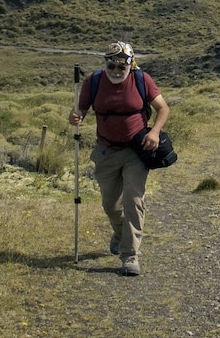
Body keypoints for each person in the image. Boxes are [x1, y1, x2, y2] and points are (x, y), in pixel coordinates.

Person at [69, 41, 170, 276]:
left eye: (120, 67)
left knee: (134, 201)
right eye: (111, 66)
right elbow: (81, 111)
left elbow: (163, 108)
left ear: (130, 65)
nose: (115, 71)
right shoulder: (93, 82)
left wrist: (154, 132)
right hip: (105, 151)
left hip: (136, 150)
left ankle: (130, 256)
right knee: (110, 205)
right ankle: (120, 232)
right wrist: (76, 117)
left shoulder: (142, 80)